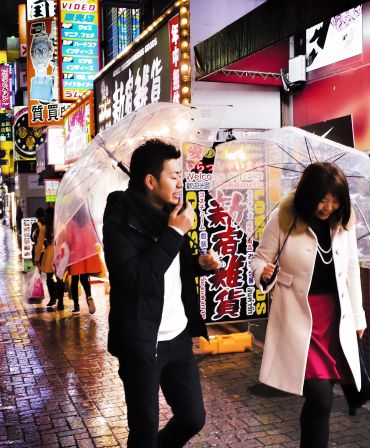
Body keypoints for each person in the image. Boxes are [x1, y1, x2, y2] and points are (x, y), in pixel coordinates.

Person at [102, 139, 221, 447]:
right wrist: (174, 233)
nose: (180, 182)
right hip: (141, 342)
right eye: (173, 176)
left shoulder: (171, 213)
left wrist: (200, 264)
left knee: (193, 417)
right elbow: (139, 279)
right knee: (144, 431)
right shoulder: (119, 222)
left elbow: (172, 270)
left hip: (178, 336)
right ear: (150, 181)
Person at [251, 162, 367, 448]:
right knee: (320, 395)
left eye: (335, 200)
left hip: (335, 318)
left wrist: (358, 317)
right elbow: (259, 258)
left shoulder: (344, 223)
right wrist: (263, 273)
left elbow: (352, 270)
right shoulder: (284, 218)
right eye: (323, 200)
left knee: (322, 400)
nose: (328, 207)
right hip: (298, 317)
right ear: (308, 195)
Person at [65, 208, 102, 314]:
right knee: (85, 280)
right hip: (87, 255)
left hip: (75, 255)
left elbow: (69, 240)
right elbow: (95, 238)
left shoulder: (71, 223)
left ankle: (76, 307)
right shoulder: (90, 221)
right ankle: (89, 296)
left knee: (75, 281)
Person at [38, 207, 65, 310]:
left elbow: (39, 245)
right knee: (60, 277)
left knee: (49, 277)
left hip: (49, 253)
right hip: (60, 253)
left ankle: (53, 298)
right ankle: (61, 302)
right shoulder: (61, 225)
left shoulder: (45, 228)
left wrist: (36, 259)